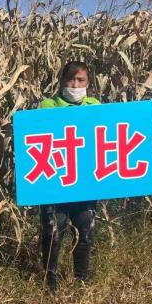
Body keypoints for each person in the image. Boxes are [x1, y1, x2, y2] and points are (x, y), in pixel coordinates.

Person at [38, 61, 100, 291]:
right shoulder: (47, 106)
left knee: (85, 231)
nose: (75, 85)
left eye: (80, 80)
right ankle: (50, 282)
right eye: (70, 79)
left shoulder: (96, 107)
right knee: (54, 232)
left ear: (88, 83)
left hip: (84, 183)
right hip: (54, 183)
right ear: (62, 81)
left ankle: (81, 281)